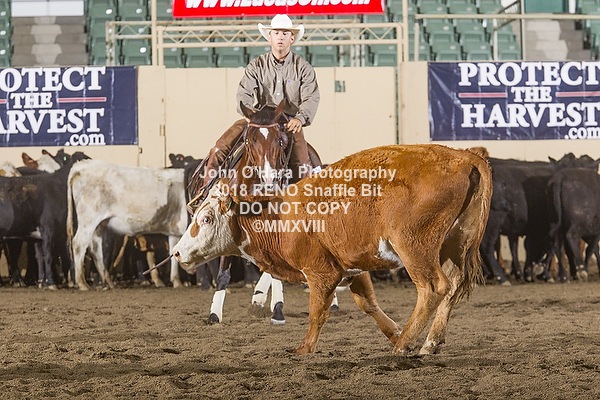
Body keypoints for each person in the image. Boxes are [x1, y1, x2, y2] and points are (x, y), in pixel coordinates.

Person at [202, 14, 320, 188]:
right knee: (220, 148)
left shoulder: (303, 68)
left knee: (302, 163)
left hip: (288, 122)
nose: (280, 37)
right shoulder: (256, 66)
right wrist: (249, 113)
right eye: (276, 33)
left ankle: (304, 198)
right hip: (259, 119)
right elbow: (244, 93)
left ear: (292, 38)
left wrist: (300, 119)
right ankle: (206, 192)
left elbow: (311, 97)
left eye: (285, 33)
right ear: (269, 37)